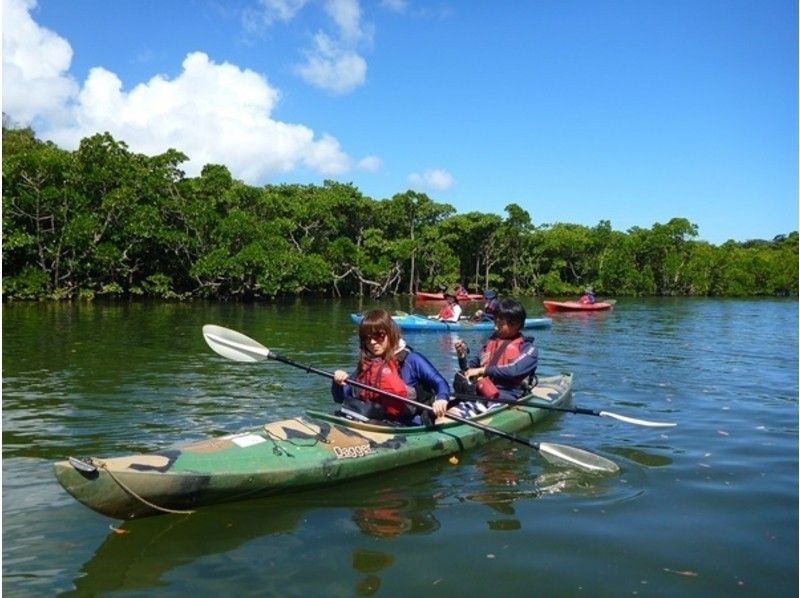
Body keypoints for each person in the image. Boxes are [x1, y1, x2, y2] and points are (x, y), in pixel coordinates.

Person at [332, 309, 450, 424]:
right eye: (367, 338)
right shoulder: (367, 364)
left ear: (390, 333)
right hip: (376, 421)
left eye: (379, 335)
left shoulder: (412, 360)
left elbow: (440, 382)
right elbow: (340, 398)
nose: (372, 342)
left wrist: (441, 399)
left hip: (410, 423)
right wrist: (337, 383)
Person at [450, 298, 538, 418]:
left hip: (505, 399)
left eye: (501, 324)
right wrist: (462, 356)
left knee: (449, 419)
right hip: (480, 394)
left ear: (516, 325)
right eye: (495, 323)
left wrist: (483, 370)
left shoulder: (529, 348)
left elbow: (514, 370)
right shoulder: (491, 343)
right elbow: (469, 369)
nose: (495, 328)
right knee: (445, 414)